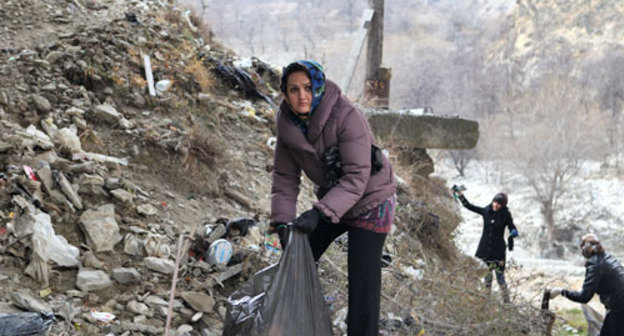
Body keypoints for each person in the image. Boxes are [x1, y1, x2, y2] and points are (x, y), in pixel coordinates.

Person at [268, 60, 397, 336]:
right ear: (284, 94)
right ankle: (287, 326)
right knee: (296, 256)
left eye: (307, 88)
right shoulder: (288, 124)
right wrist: (282, 222)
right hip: (334, 197)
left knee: (362, 284)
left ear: (318, 87)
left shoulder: (346, 115)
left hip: (372, 200)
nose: (301, 96)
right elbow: (284, 178)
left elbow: (357, 178)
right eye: (293, 89)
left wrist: (319, 213)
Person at [550, 234, 624, 336]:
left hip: (619, 311)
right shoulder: (609, 258)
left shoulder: (595, 265)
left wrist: (560, 291)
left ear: (585, 249)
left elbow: (584, 297)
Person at [455, 190, 518, 302]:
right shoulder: (486, 211)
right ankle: (485, 302)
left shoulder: (506, 215)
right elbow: (468, 206)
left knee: (500, 279)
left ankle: (507, 303)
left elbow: (512, 226)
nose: (495, 205)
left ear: (503, 205)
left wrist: (513, 231)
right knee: (487, 278)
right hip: (485, 250)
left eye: (499, 204)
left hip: (498, 251)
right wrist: (460, 195)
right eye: (494, 202)